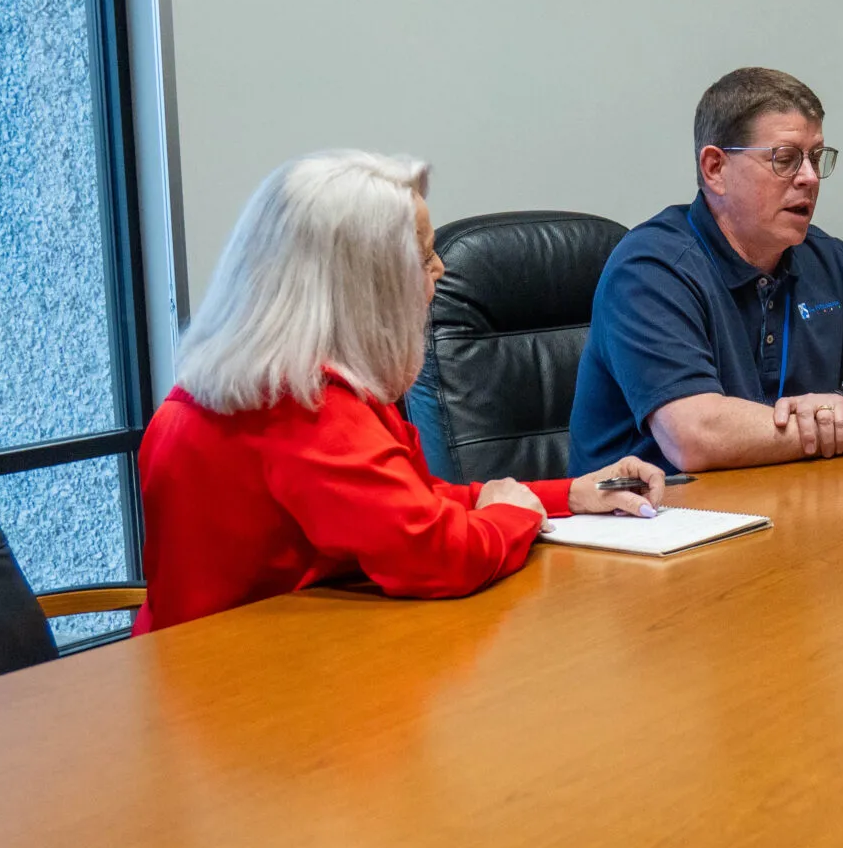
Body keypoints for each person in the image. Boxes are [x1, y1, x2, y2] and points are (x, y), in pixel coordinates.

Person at [135, 150, 664, 633]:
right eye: (424, 257)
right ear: (366, 285)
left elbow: (406, 502)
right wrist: (517, 516)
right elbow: (435, 553)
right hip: (255, 692)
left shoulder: (245, 381)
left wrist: (566, 495)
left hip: (212, 679)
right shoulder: (308, 406)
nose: (441, 269)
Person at [569, 67, 843, 473]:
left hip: (777, 507)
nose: (808, 178)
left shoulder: (825, 258)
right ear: (715, 169)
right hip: (649, 523)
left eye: (816, 158)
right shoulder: (651, 269)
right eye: (785, 159)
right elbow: (695, 436)